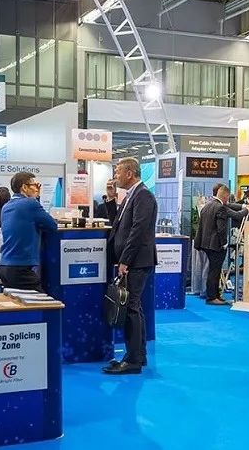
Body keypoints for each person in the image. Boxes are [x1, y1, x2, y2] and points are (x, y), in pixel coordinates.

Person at [103, 157, 158, 375]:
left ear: (129, 173)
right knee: (134, 307)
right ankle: (137, 355)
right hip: (132, 260)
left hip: (136, 261)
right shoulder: (131, 195)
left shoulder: (143, 195)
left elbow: (138, 231)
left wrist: (125, 260)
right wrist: (110, 199)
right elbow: (118, 225)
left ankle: (133, 360)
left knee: (130, 308)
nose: (115, 176)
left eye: (118, 172)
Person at [195, 183, 249, 305]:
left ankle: (215, 295)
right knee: (214, 271)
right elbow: (222, 228)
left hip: (206, 244)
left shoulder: (208, 205)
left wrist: (244, 206)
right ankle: (212, 297)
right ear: (226, 196)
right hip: (216, 245)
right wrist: (224, 243)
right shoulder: (220, 208)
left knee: (213, 270)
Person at [0, 173, 57, 291]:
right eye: (34, 185)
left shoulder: (6, 206)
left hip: (5, 266)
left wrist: (36, 198)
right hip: (20, 269)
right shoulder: (30, 204)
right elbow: (52, 225)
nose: (37, 188)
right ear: (24, 187)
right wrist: (35, 199)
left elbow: (30, 218)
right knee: (41, 300)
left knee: (18, 302)